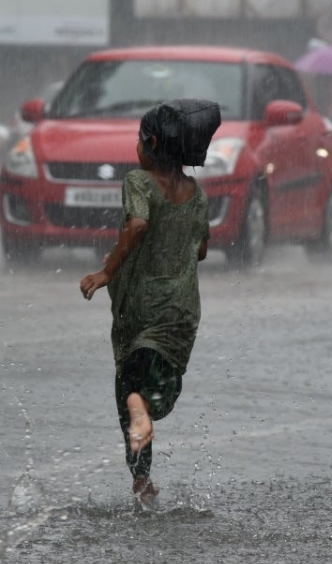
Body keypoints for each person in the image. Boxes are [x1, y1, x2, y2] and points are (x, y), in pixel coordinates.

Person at [79, 100, 219, 507]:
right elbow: (201, 250)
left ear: (153, 143)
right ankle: (143, 470)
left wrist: (107, 271)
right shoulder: (198, 196)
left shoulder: (139, 182)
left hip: (141, 307)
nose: (136, 148)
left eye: (140, 140)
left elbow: (138, 223)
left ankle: (141, 477)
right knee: (160, 385)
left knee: (129, 387)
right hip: (181, 312)